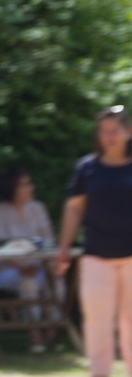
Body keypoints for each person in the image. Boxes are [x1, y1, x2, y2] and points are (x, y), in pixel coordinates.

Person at [57, 106, 132, 377]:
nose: (108, 136)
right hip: (96, 256)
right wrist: (64, 247)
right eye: (104, 131)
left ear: (128, 131)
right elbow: (74, 208)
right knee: (96, 320)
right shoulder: (87, 168)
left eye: (114, 131)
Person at [0, 167, 54, 352]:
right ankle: (35, 336)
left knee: (57, 281)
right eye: (25, 184)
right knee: (28, 282)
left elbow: (49, 241)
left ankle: (53, 332)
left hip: (39, 265)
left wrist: (47, 265)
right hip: (9, 270)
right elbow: (2, 247)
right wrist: (21, 268)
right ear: (12, 188)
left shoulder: (38, 208)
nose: (31, 187)